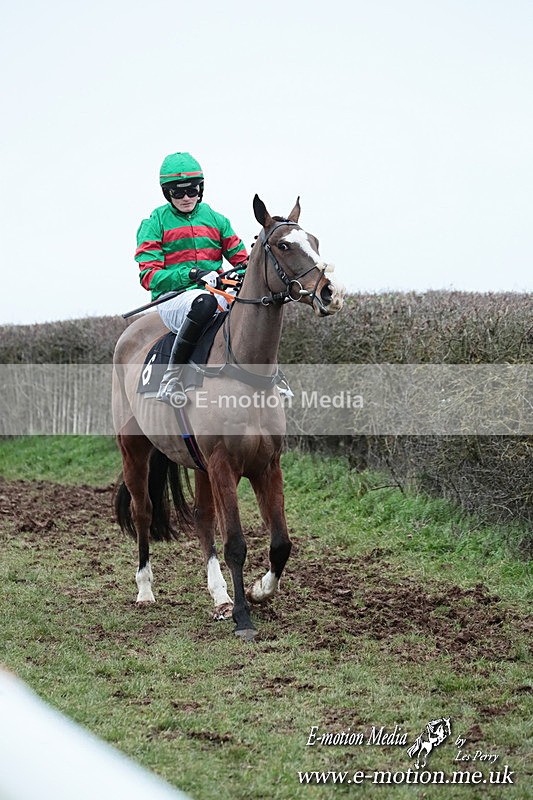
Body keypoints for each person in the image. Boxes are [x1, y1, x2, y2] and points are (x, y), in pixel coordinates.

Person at [135, 152, 248, 403]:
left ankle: (271, 375)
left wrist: (234, 278)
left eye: (192, 190)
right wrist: (192, 274)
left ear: (201, 189)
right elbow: (149, 276)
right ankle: (171, 379)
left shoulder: (217, 220)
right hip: (173, 299)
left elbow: (244, 263)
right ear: (167, 193)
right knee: (202, 303)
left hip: (217, 291)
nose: (186, 197)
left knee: (256, 305)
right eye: (178, 192)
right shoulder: (154, 223)